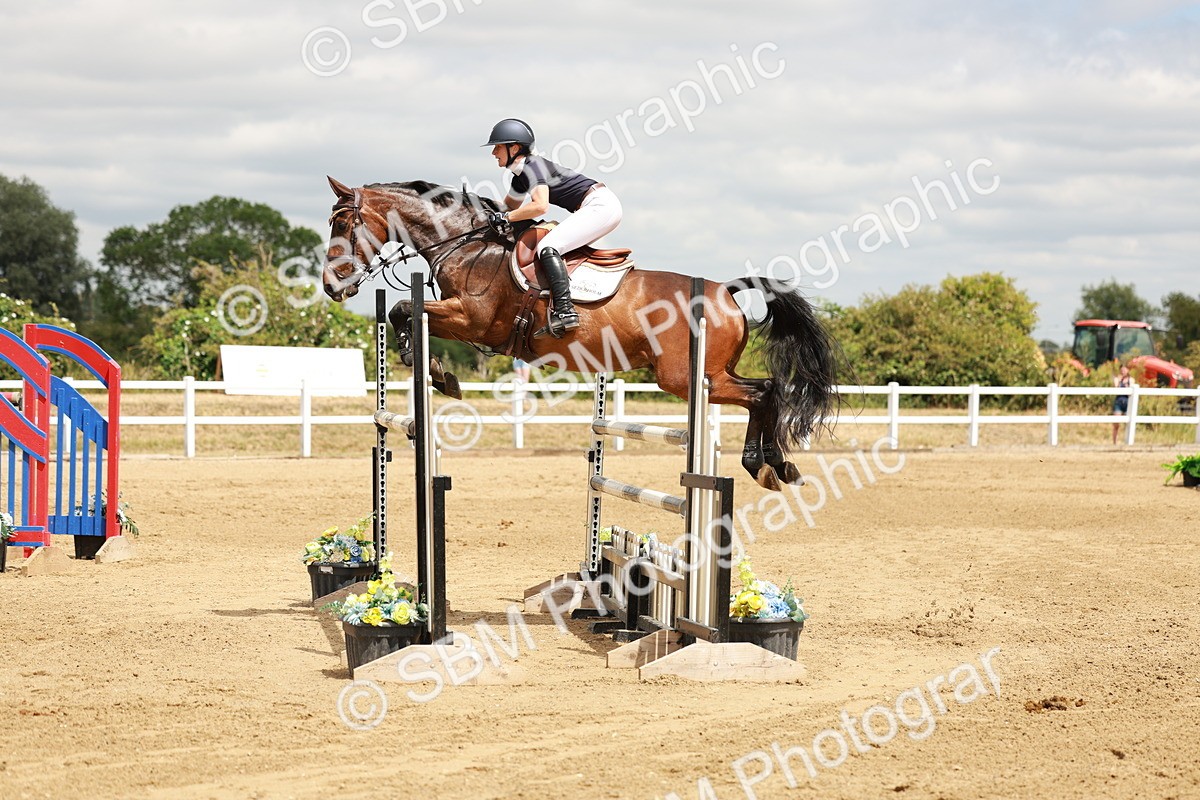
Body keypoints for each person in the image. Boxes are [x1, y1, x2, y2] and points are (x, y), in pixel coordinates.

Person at [482, 118, 623, 338]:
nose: (493, 153)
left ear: (514, 148)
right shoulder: (520, 176)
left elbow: (540, 206)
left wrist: (506, 217)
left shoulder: (533, 166)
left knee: (548, 245)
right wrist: (479, 209)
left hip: (601, 206)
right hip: (596, 205)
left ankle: (566, 311)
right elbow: (508, 207)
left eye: (498, 147)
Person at [1112, 364, 1132, 445]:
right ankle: (1115, 442)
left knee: (1128, 423)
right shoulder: (1117, 379)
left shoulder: (1131, 380)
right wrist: (1119, 380)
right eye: (1122, 370)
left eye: (1125, 370)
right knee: (1116, 423)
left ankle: (1127, 441)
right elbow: (1116, 388)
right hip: (1119, 402)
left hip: (1128, 402)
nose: (1123, 371)